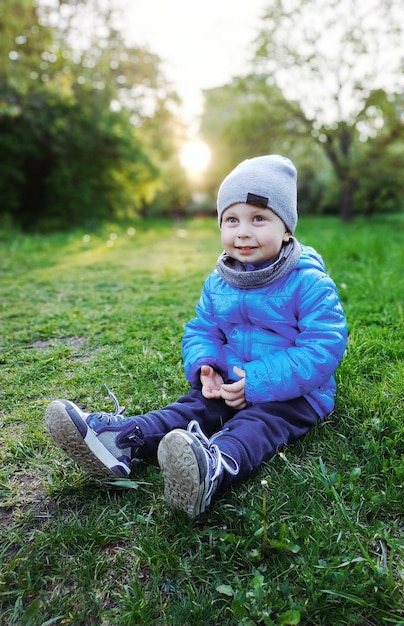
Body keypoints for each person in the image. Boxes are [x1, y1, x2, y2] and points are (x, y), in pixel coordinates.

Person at [45, 155, 348, 519]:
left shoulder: (308, 281)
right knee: (190, 409)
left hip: (295, 394)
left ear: (287, 229)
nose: (243, 231)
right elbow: (202, 328)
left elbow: (323, 347)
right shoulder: (219, 281)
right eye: (232, 219)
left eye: (259, 219)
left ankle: (215, 466)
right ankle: (124, 440)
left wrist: (258, 381)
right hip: (231, 382)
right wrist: (207, 366)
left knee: (258, 426)